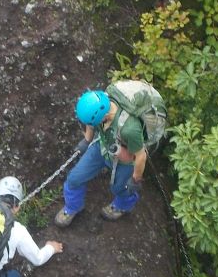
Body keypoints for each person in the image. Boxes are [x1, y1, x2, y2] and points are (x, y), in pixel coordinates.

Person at [54, 80, 162, 226]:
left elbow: (140, 156)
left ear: (103, 117)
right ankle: (73, 207)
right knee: (74, 179)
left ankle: (122, 205)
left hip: (127, 156)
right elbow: (91, 122)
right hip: (104, 144)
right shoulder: (100, 107)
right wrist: (87, 140)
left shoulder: (129, 129)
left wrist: (135, 179)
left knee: (120, 188)